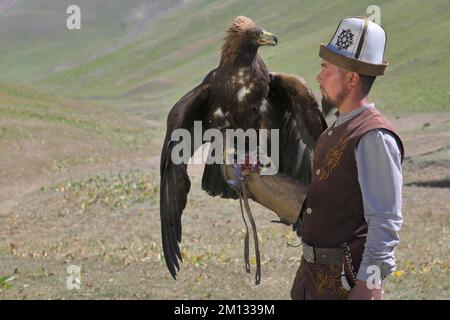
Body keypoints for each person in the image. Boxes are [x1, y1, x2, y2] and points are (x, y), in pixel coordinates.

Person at [290, 17, 404, 300]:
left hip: (347, 284)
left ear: (352, 78)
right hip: (312, 280)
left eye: (326, 69)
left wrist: (369, 284)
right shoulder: (338, 129)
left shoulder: (374, 136)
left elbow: (385, 220)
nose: (318, 78)